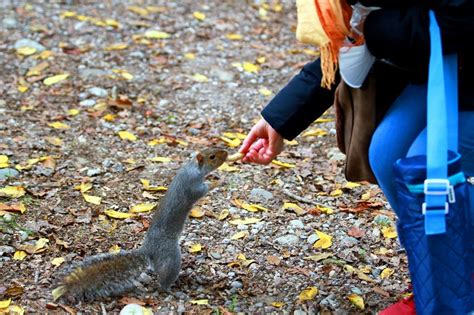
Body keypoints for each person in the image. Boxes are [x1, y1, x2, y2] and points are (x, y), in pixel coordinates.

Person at [238, 1, 474, 313]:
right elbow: (345, 42)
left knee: (427, 164)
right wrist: (279, 120)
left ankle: (449, 287)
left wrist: (373, 28)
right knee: (386, 152)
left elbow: (459, 20)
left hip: (458, 51)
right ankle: (438, 273)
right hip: (445, 66)